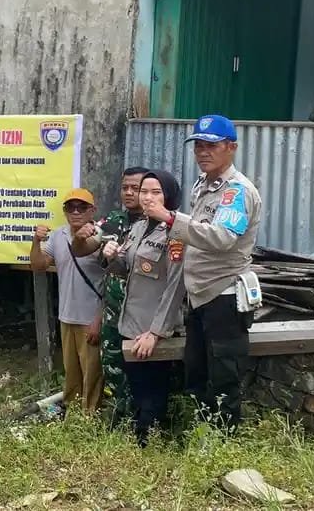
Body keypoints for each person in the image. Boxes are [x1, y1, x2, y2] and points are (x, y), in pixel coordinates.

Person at [143, 115, 262, 430]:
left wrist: (170, 220)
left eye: (212, 145)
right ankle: (202, 431)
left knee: (224, 373)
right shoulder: (203, 184)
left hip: (222, 294)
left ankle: (222, 439)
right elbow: (196, 230)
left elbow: (222, 238)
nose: (203, 152)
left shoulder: (236, 192)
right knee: (196, 371)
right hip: (198, 294)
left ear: (231, 147)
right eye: (198, 145)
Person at [101, 171, 186, 446]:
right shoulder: (139, 227)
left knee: (154, 390)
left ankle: (150, 445)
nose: (147, 198)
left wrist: (156, 332)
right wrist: (112, 257)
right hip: (131, 324)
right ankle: (139, 440)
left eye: (156, 192)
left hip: (154, 330)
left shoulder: (176, 232)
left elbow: (176, 287)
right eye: (144, 192)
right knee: (137, 388)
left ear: (169, 196)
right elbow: (126, 270)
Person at [72, 167, 147, 425]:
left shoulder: (158, 223)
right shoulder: (113, 222)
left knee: (144, 367)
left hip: (144, 312)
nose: (128, 192)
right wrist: (80, 238)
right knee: (113, 364)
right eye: (125, 187)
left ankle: (145, 422)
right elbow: (82, 250)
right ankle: (120, 419)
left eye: (134, 188)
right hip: (113, 309)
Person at [30, 188, 105, 413]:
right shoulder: (58, 235)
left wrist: (98, 319)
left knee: (92, 374)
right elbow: (39, 265)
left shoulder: (100, 235)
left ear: (92, 210)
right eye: (70, 207)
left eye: (81, 207)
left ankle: (91, 419)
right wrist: (36, 241)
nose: (75, 211)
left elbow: (110, 280)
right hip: (67, 316)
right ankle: (73, 416)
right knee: (72, 373)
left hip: (90, 317)